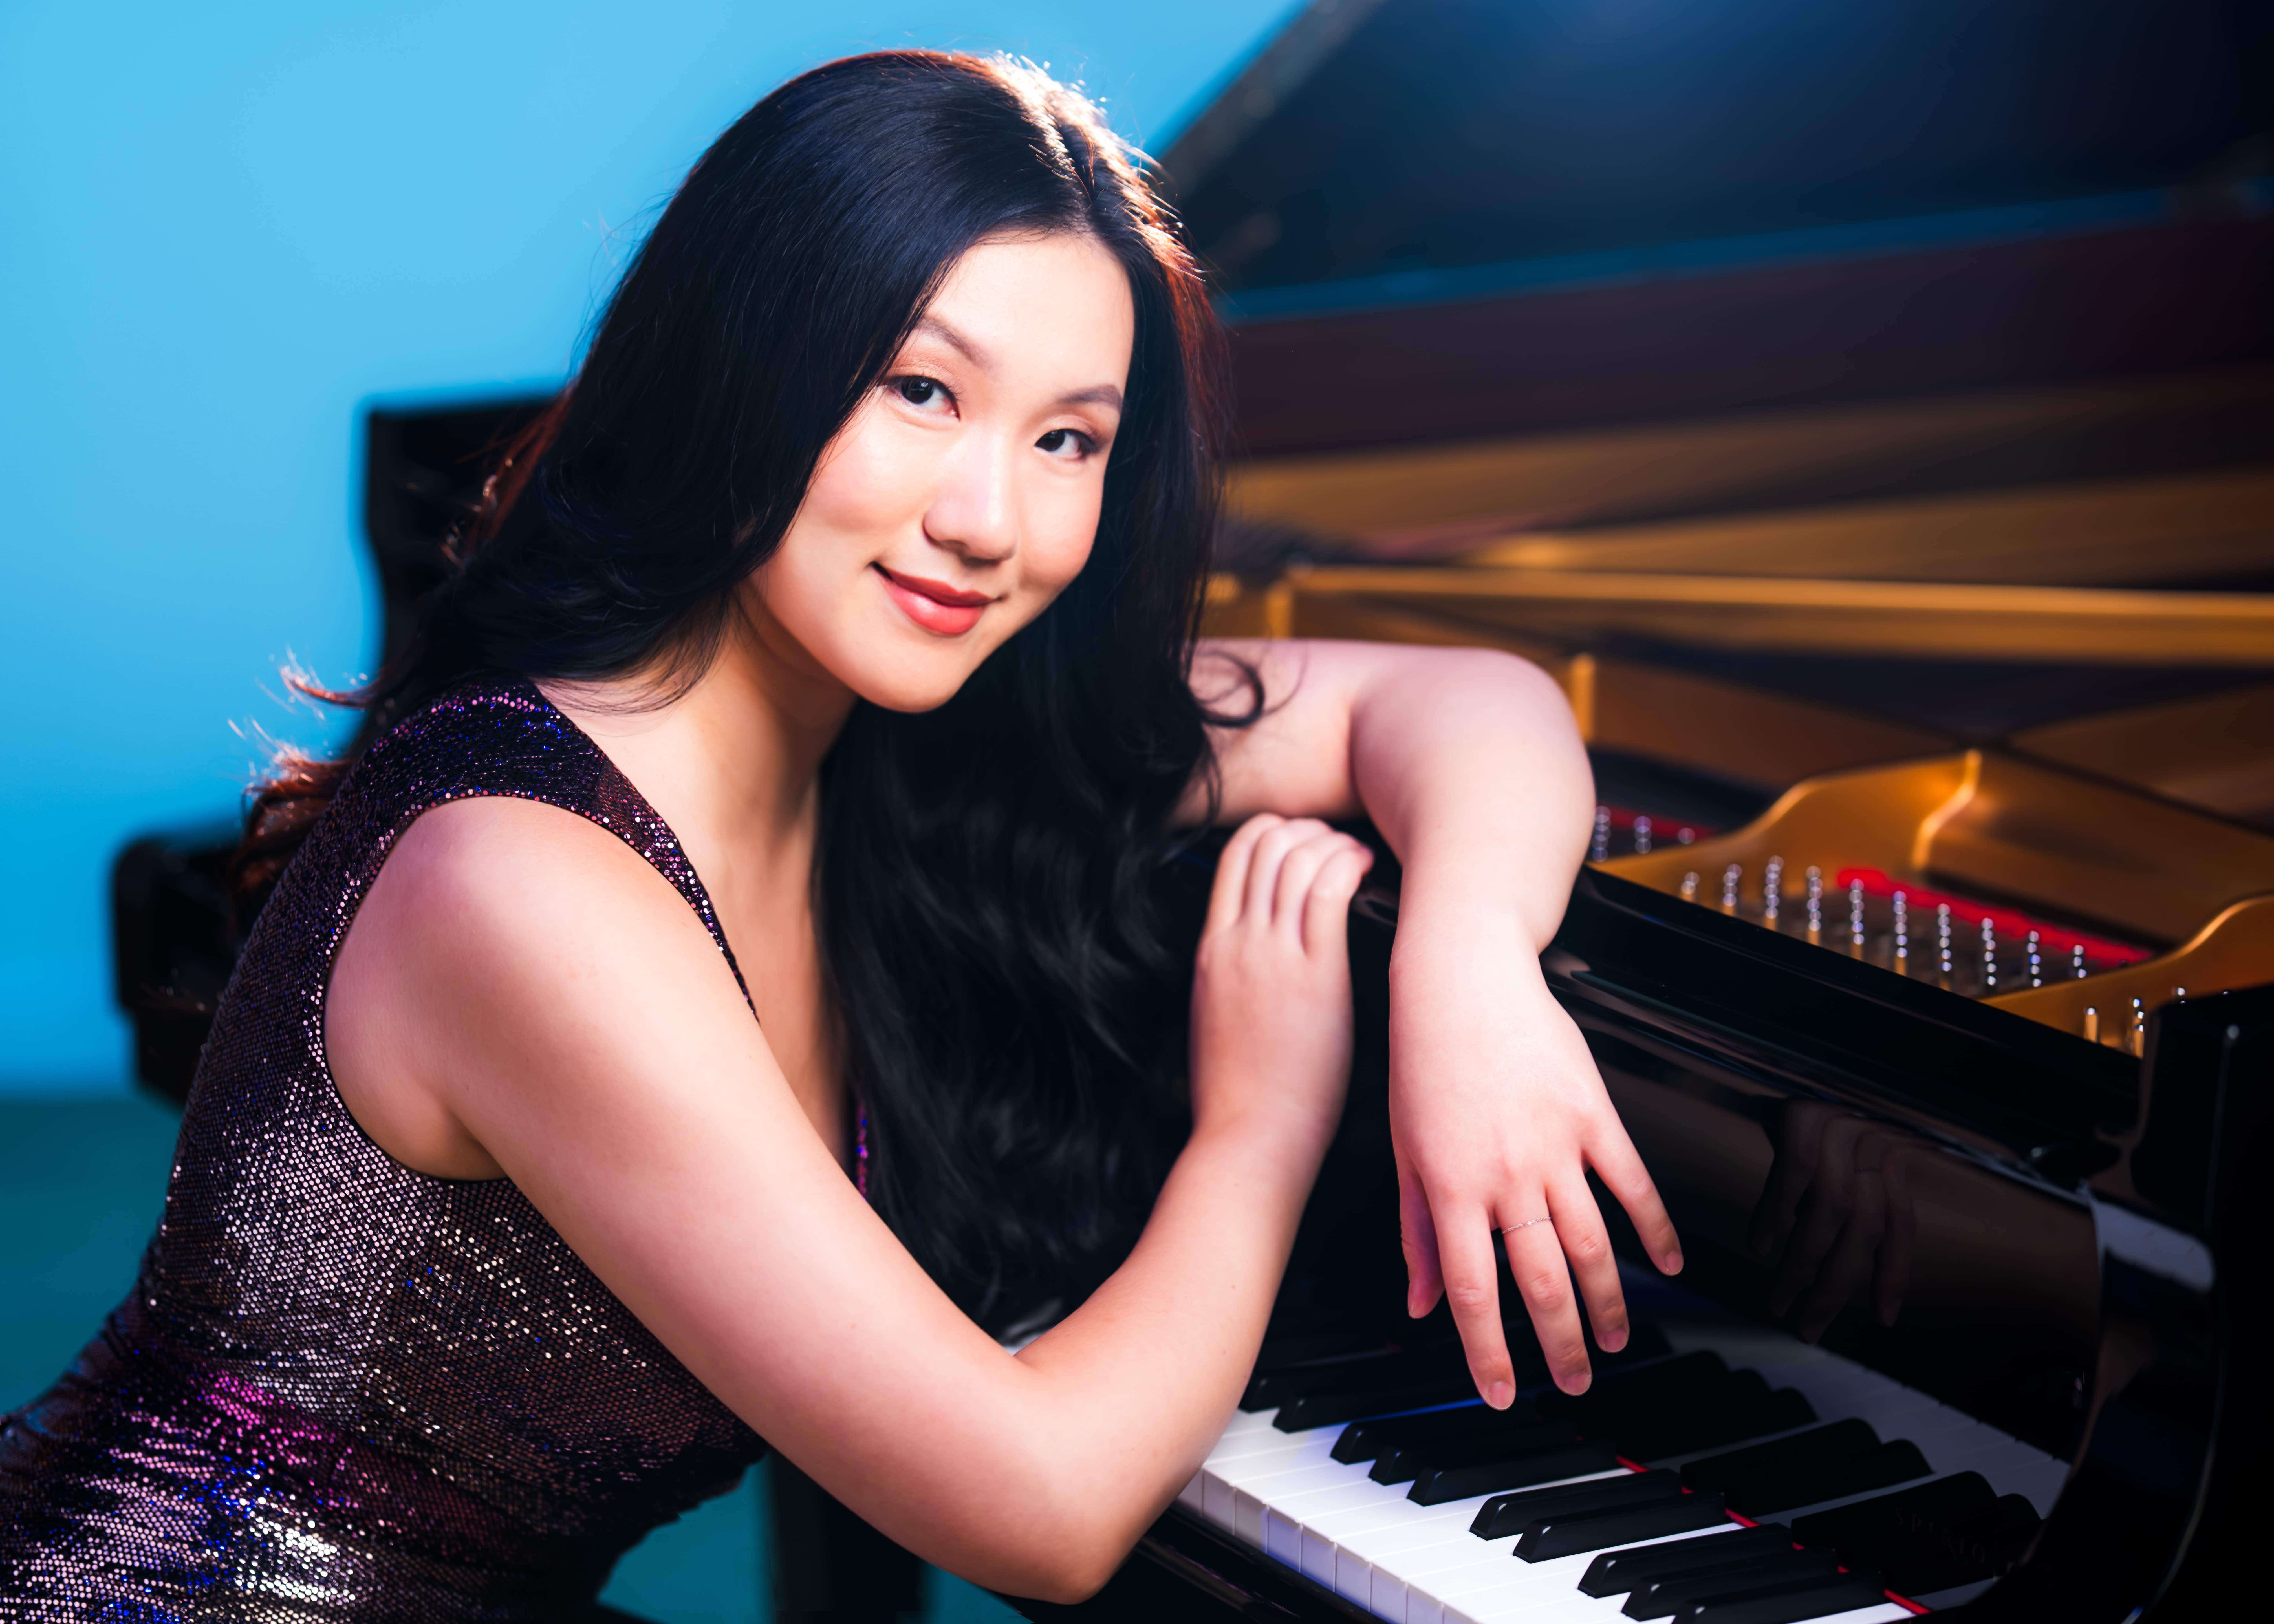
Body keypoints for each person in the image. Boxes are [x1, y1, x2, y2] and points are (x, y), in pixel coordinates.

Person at [0, 50, 1679, 1618]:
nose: (988, 520)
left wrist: (1470, 977)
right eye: (919, 389)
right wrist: (1260, 1121)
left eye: (1070, 439)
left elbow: (1474, 703)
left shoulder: (893, 751)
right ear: (750, 364)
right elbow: (1046, 1507)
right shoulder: (517, 880)